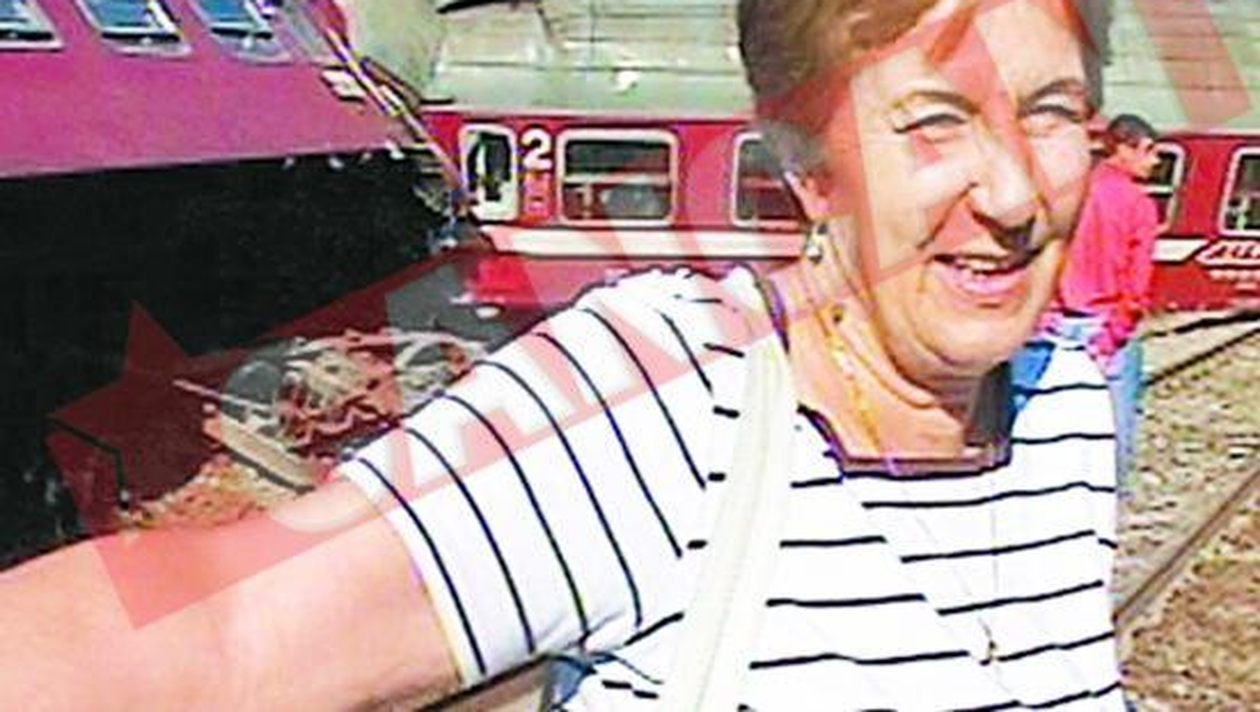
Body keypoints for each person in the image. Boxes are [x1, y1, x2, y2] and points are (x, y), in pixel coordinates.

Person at [0, 0, 1124, 709]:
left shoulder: (1063, 403)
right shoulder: (666, 399)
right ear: (809, 171)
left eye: (1050, 110)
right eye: (933, 122)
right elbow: (228, 632)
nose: (1015, 195)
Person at [1053, 113, 1162, 483]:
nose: (1154, 161)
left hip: (1054, 327)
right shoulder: (1138, 204)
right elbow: (1137, 283)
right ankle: (1104, 507)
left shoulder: (1067, 194)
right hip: (1106, 330)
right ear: (1123, 148)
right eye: (1148, 150)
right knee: (1112, 436)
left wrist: (1042, 318)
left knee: (1051, 433)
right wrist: (1113, 335)